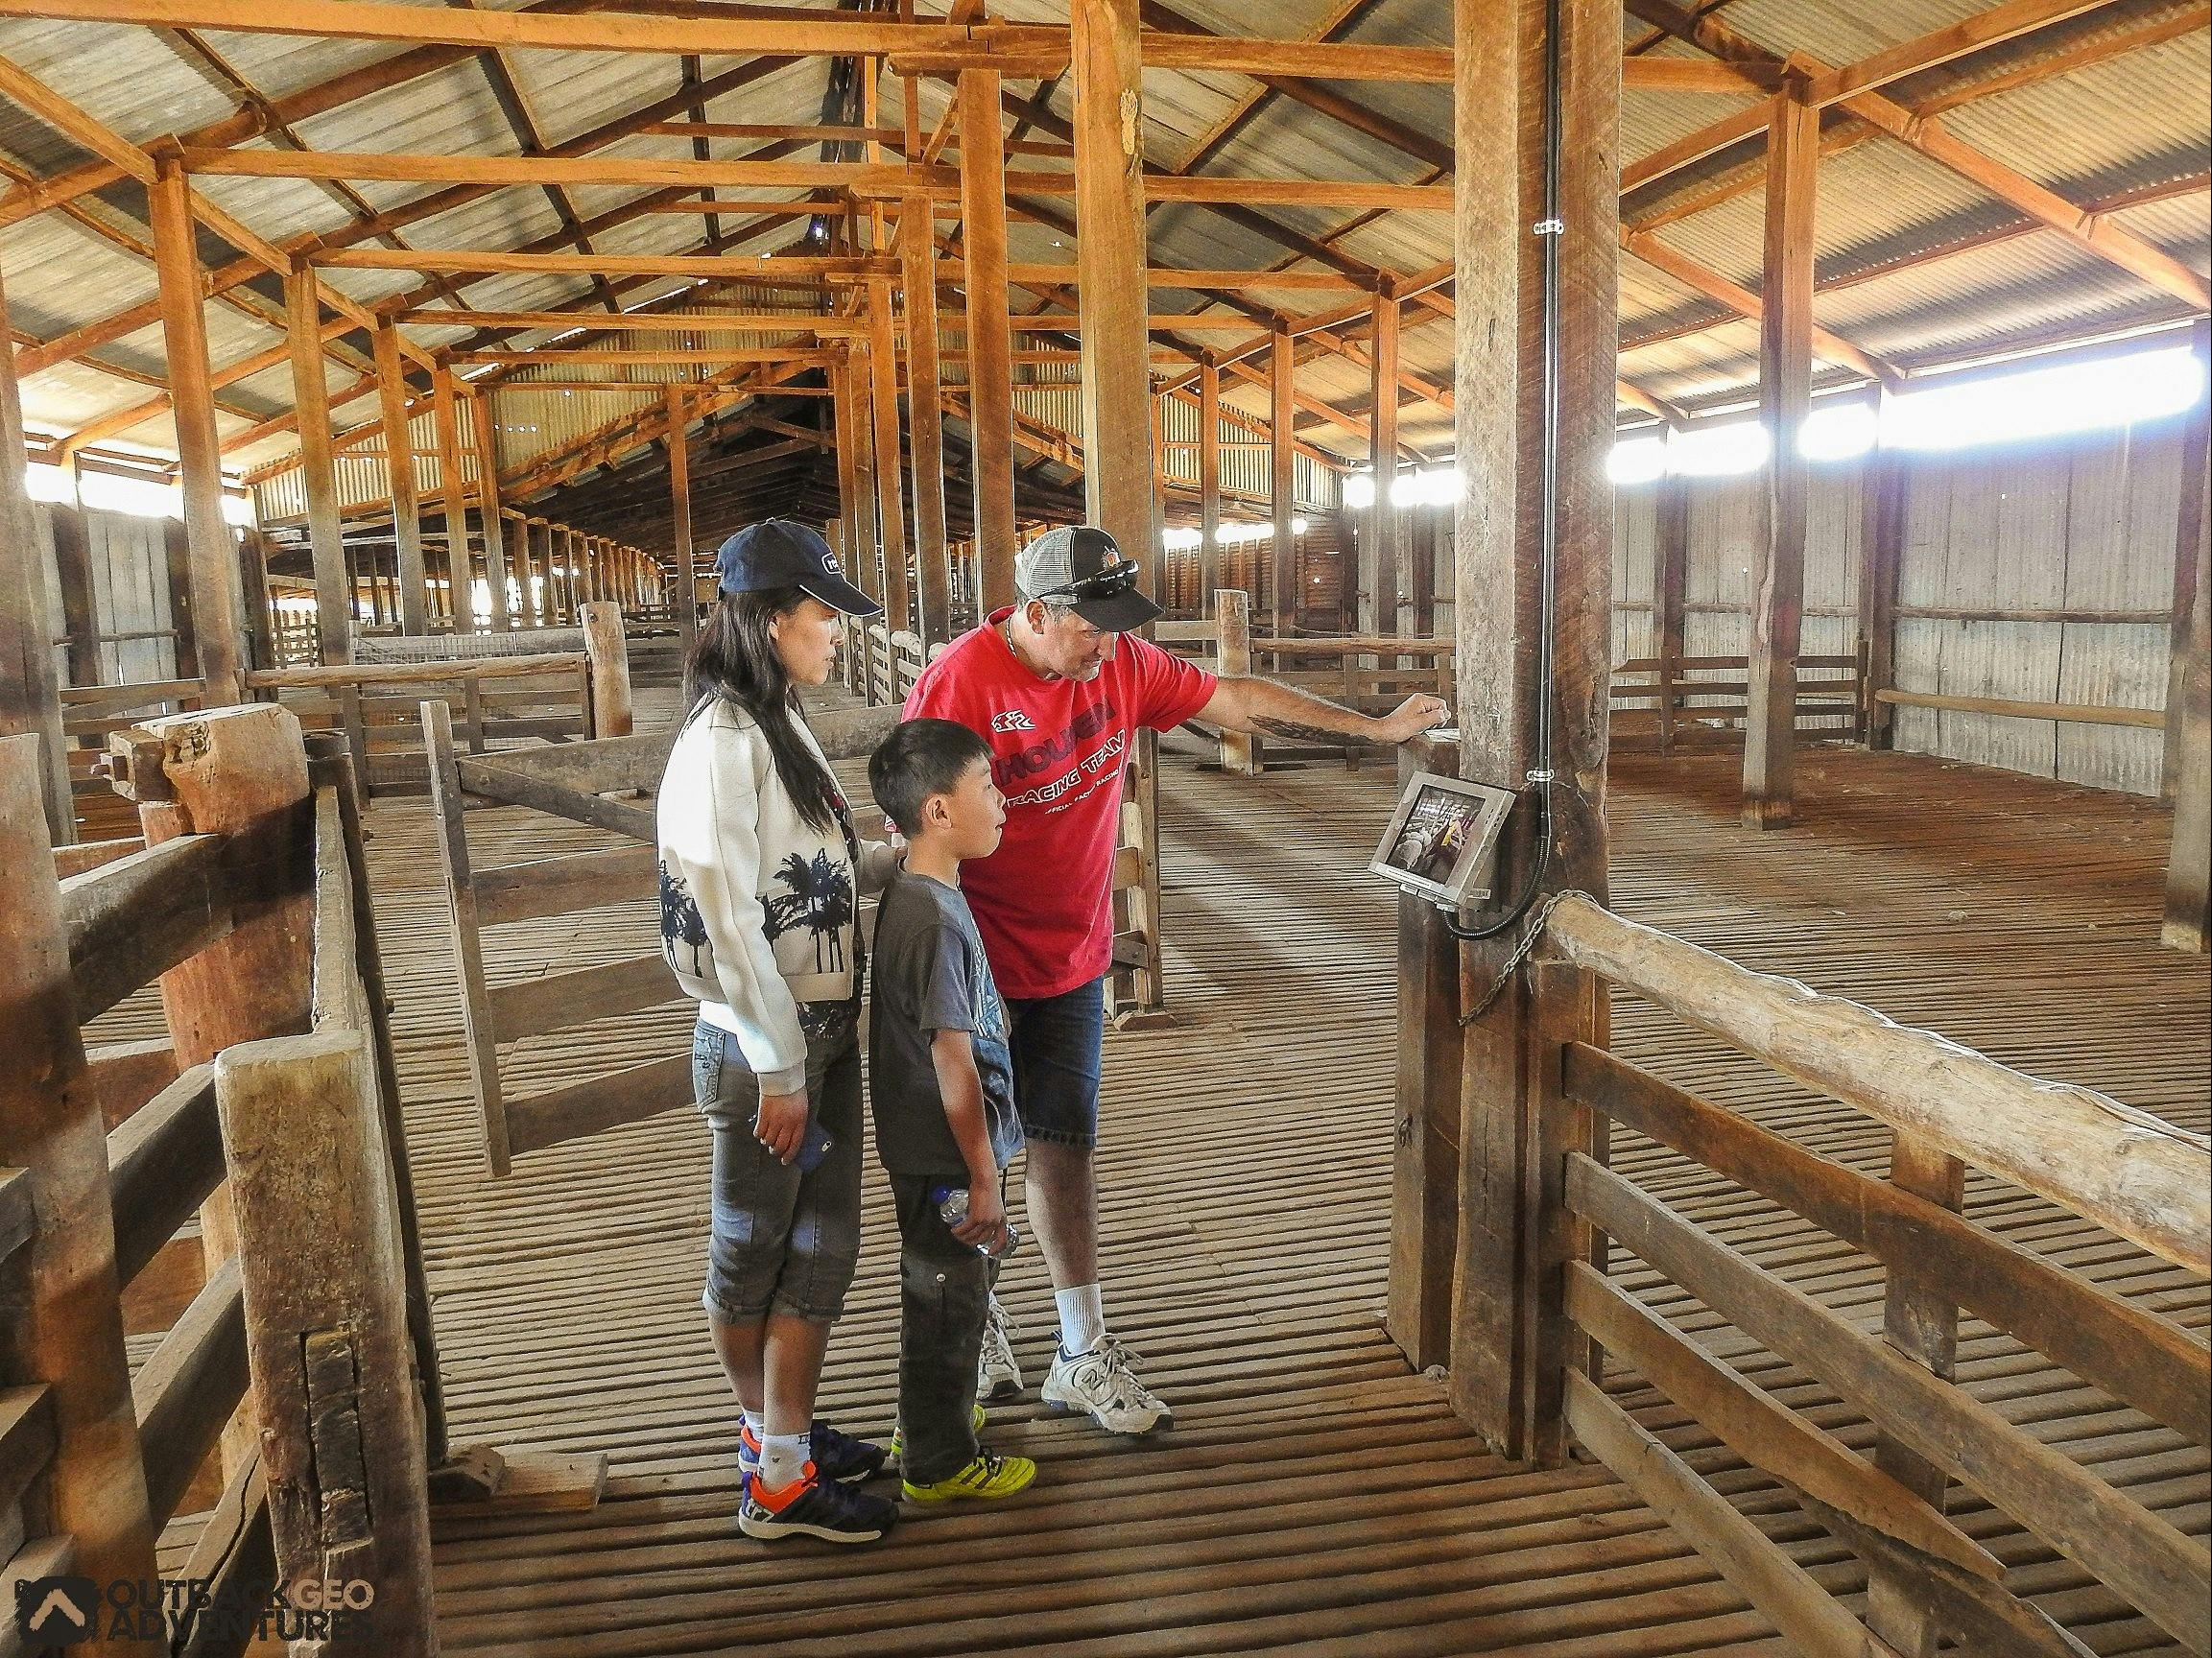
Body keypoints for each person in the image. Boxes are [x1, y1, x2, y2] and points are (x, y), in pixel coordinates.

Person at [903, 524, 1450, 1433]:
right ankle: (978, 1322)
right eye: (1091, 628)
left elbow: (1233, 698)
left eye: (1120, 628)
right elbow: (919, 833)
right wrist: (949, 967)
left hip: (1073, 954)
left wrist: (1374, 726)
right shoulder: (960, 682)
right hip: (978, 956)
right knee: (967, 1150)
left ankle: (1081, 1347)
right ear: (1036, 613)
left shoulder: (1116, 664)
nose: (1110, 646)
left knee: (1063, 1143)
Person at [656, 519, 900, 1545]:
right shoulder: (722, 741)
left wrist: (890, 858)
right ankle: (774, 1469)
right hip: (766, 1049)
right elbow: (724, 914)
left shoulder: (778, 722)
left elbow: (800, 872)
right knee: (753, 1247)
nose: (834, 635)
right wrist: (782, 1069)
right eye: (820, 617)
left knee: (819, 1245)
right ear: (767, 621)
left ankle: (783, 1436)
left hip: (819, 1033)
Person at [865, 718, 1038, 1504]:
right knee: (948, 1297)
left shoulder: (916, 888)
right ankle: (937, 1462)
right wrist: (983, 1178)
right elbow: (951, 1058)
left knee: (944, 1292)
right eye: (987, 789)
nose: (1003, 803)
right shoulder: (934, 921)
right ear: (937, 811)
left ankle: (925, 1421)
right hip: (945, 1155)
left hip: (931, 1149)